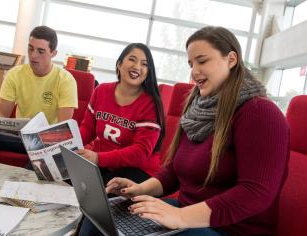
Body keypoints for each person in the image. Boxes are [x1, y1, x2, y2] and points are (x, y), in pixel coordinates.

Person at [104, 26, 290, 236]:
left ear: (231, 59)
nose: (194, 71)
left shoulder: (260, 113)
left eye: (202, 61)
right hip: (187, 215)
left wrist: (180, 217)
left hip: (231, 229)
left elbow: (256, 193)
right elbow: (174, 172)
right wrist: (140, 190)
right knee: (104, 217)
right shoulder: (197, 108)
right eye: (191, 64)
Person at [0, 26, 78, 163]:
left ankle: (22, 184)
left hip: (46, 141)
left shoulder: (65, 80)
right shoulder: (15, 74)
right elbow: (2, 113)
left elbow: (62, 129)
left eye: (41, 51)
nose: (33, 55)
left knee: (40, 148)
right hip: (19, 136)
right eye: (30, 48)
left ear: (53, 53)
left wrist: (41, 138)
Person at [78, 42, 165, 185]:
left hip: (138, 170)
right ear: (119, 64)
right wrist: (69, 146)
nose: (137, 67)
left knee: (95, 191)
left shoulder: (151, 104)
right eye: (132, 59)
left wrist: (98, 158)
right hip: (106, 164)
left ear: (148, 72)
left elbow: (140, 152)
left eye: (144, 64)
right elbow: (88, 129)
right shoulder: (101, 91)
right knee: (70, 180)